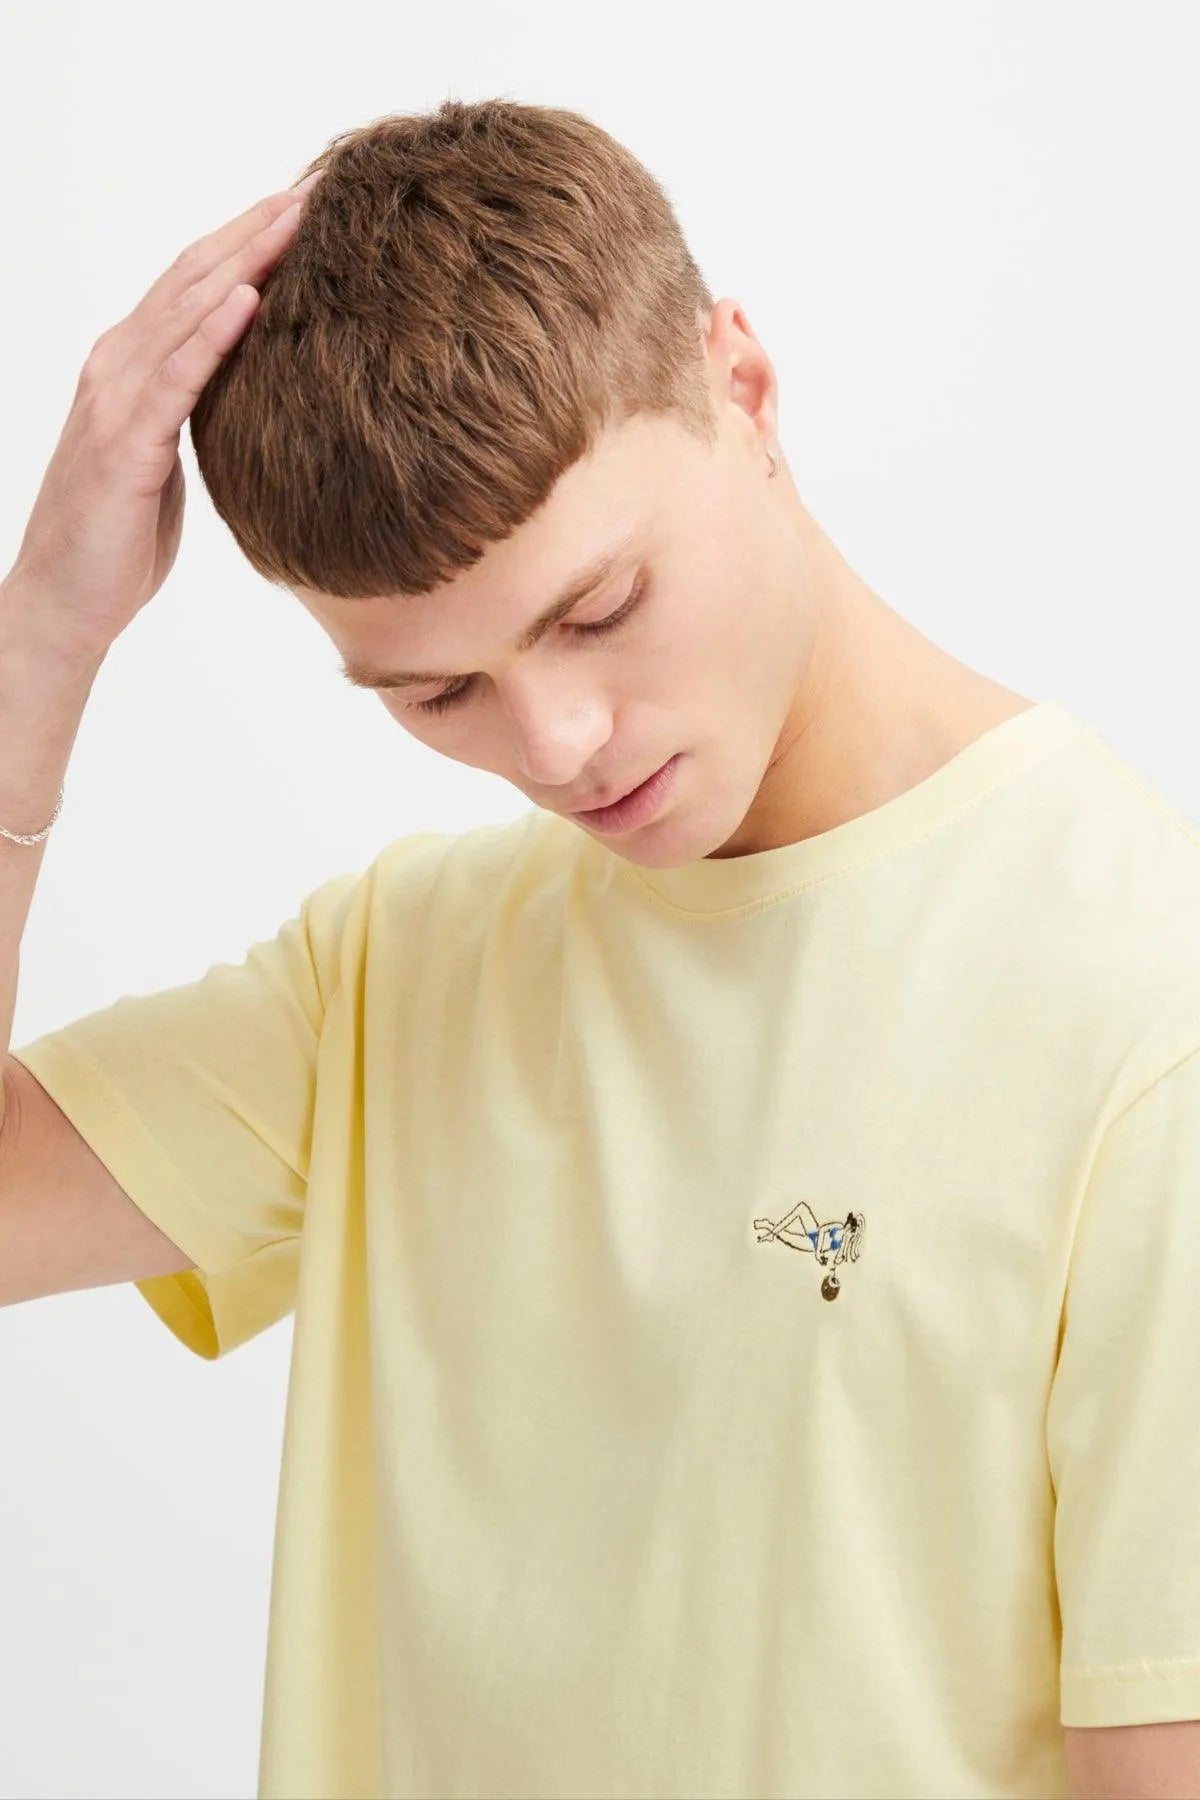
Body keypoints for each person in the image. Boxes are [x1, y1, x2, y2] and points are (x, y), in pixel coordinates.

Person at [1, 97, 1197, 1800]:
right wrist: (41, 635)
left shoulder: (1143, 1004)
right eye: (440, 692)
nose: (555, 743)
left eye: (597, 609)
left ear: (743, 386)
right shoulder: (398, 975)